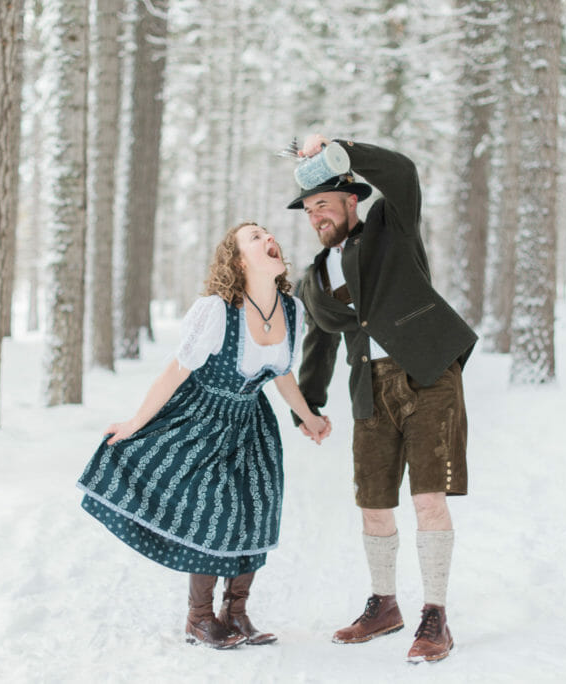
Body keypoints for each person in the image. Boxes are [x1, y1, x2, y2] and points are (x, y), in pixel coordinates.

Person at [77, 221, 331, 650]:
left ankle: (237, 613)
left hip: (252, 421)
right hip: (204, 416)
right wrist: (135, 422)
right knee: (216, 512)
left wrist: (307, 415)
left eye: (268, 232)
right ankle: (199, 618)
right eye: (254, 236)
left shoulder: (291, 309)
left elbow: (282, 372)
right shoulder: (217, 310)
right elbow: (177, 370)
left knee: (256, 510)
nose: (268, 237)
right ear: (236, 260)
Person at [287, 135, 477, 663]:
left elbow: (403, 172)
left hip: (427, 375)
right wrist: (310, 404)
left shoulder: (393, 229)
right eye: (308, 210)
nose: (316, 217)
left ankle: (435, 616)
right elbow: (319, 342)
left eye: (323, 204)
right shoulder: (314, 276)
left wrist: (339, 148)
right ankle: (385, 606)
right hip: (368, 391)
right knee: (373, 503)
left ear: (352, 200)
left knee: (426, 499)